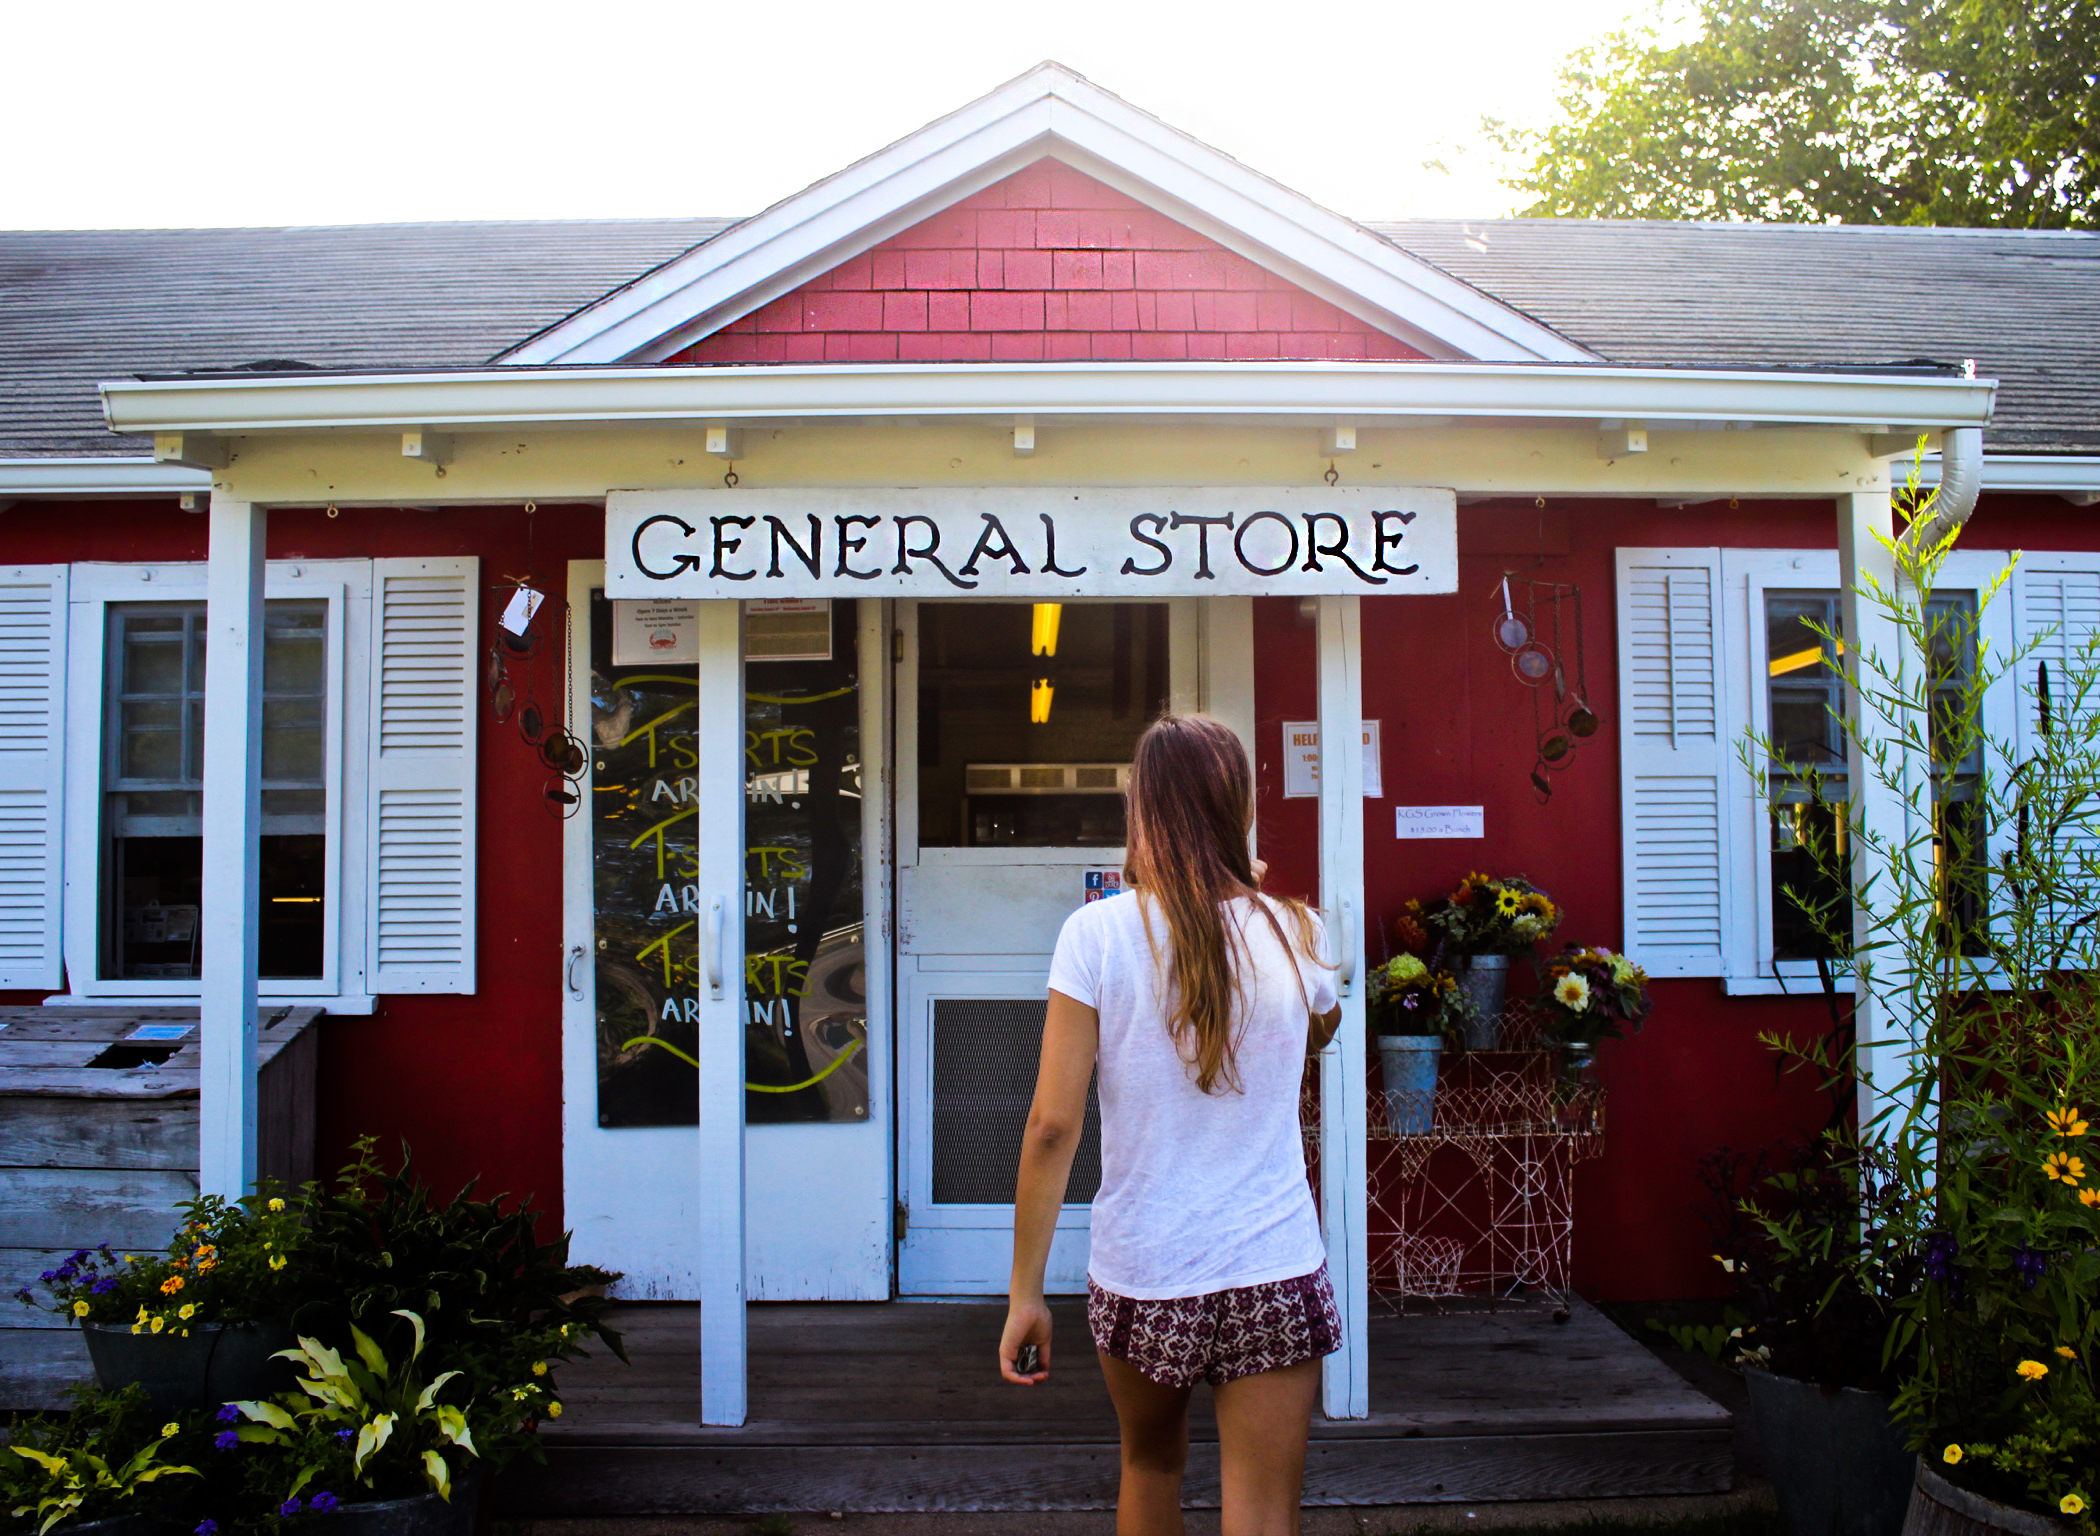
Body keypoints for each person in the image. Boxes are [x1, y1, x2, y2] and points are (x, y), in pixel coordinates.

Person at [999, 713, 1343, 1536]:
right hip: (1272, 1268)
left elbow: (1051, 1126)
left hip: (1145, 1272)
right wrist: (1253, 897)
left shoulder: (1095, 935)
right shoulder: (1298, 931)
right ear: (1239, 808)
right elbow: (1320, 1030)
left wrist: (1025, 1295)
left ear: (1142, 809)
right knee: (1264, 1512)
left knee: (1150, 1467)